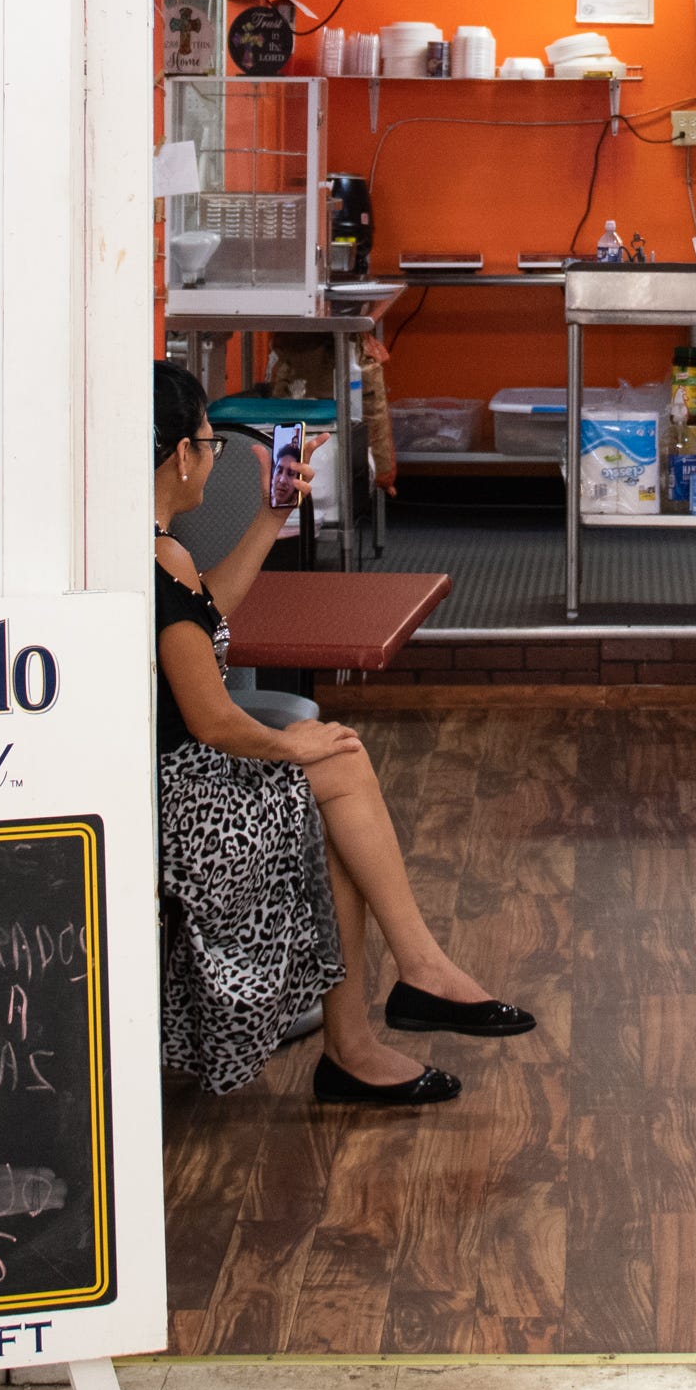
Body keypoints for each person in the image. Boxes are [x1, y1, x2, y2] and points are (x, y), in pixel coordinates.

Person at [150, 361, 531, 1106]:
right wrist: (293, 745)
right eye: (209, 440)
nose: (212, 455)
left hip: (172, 780)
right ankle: (403, 988)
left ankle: (379, 1019)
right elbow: (212, 717)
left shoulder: (157, 551)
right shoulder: (154, 556)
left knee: (336, 777)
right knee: (338, 764)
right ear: (180, 454)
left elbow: (200, 622)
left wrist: (269, 515)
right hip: (178, 806)